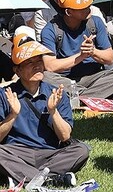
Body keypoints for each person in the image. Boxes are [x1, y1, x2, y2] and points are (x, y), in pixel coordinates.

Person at [0, 33, 89, 189]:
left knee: (81, 150)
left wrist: (53, 111)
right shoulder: (6, 94)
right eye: (29, 62)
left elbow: (65, 136)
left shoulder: (56, 93)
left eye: (39, 60)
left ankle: (26, 177)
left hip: (50, 153)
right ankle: (51, 179)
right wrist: (12, 115)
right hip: (18, 152)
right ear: (17, 70)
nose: (37, 66)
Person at [40, 0, 113, 100]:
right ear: (69, 12)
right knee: (44, 76)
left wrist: (93, 52)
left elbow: (110, 59)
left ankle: (79, 98)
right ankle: (95, 96)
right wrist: (81, 56)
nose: (89, 8)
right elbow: (50, 66)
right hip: (65, 80)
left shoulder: (95, 22)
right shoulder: (50, 30)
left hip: (93, 77)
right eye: (83, 7)